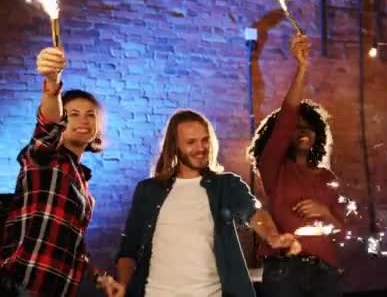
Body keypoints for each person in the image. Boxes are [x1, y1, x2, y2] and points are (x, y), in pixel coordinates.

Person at [116, 109, 300, 297]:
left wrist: (272, 236)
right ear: (174, 146)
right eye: (191, 142)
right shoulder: (148, 190)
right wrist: (123, 285)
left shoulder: (226, 185)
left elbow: (253, 212)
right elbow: (128, 250)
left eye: (205, 140)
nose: (201, 148)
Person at [0, 47, 123, 297]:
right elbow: (48, 125)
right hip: (23, 284)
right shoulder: (45, 159)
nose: (83, 120)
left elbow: (71, 245)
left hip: (60, 289)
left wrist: (100, 276)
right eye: (73, 114)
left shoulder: (83, 187)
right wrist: (52, 82)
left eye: (91, 115)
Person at [247, 34, 345, 297]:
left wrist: (325, 211)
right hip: (285, 270)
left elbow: (342, 230)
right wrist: (302, 69)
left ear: (317, 136)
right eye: (296, 127)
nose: (303, 132)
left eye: (309, 128)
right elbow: (287, 118)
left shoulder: (326, 177)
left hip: (325, 270)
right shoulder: (274, 167)